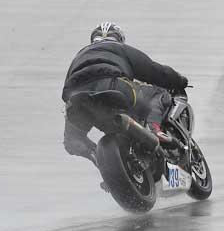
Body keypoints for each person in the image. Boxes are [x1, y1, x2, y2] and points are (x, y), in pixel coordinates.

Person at [62, 21, 188, 163]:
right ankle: (155, 130)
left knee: (73, 141)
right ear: (119, 38)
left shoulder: (79, 56)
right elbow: (153, 70)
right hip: (114, 88)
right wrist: (179, 80)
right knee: (158, 93)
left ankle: (98, 158)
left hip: (77, 99)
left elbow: (67, 88)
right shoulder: (119, 48)